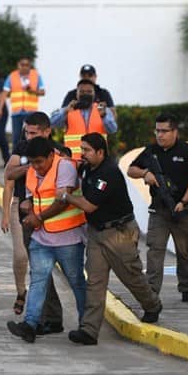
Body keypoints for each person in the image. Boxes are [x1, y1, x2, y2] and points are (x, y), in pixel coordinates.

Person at [58, 133, 163, 345]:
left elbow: (88, 205)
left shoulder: (108, 173)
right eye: (82, 149)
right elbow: (73, 163)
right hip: (97, 232)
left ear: (100, 152)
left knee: (131, 276)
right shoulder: (89, 167)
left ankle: (152, 305)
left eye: (87, 150)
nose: (83, 154)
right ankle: (88, 330)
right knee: (95, 283)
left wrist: (65, 196)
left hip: (119, 233)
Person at [6, 137, 86, 343]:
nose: (36, 167)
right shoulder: (33, 169)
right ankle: (30, 325)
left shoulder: (65, 167)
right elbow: (35, 194)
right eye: (32, 162)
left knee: (76, 281)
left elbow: (62, 202)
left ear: (52, 155)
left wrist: (37, 217)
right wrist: (28, 205)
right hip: (42, 238)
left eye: (40, 162)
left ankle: (87, 325)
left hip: (67, 238)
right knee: (38, 281)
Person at [2, 111, 69, 324]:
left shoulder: (60, 151)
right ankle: (47, 318)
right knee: (39, 271)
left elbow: (67, 181)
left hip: (55, 219)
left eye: (33, 133)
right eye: (26, 132)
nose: (28, 136)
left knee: (73, 275)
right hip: (29, 218)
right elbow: (9, 174)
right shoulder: (22, 148)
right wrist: (31, 163)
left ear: (47, 131)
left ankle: (81, 323)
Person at [127, 113, 188, 302]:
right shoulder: (151, 151)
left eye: (164, 131)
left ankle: (187, 289)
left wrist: (183, 201)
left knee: (186, 251)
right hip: (159, 211)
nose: (160, 135)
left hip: (182, 210)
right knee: (155, 252)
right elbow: (131, 169)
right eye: (157, 130)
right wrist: (145, 173)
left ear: (174, 131)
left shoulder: (187, 151)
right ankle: (151, 293)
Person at [51, 79, 117, 160]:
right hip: (74, 161)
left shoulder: (102, 109)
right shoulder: (69, 109)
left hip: (98, 161)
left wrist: (104, 116)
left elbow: (113, 129)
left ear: (94, 93)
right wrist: (65, 111)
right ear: (77, 93)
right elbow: (52, 124)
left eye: (89, 91)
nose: (85, 94)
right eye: (82, 91)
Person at [0, 57, 45, 149]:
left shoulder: (36, 75)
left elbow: (42, 92)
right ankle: (16, 158)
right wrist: (0, 109)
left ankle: (31, 156)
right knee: (16, 138)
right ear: (18, 65)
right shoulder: (12, 76)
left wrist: (33, 91)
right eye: (22, 65)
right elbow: (4, 93)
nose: (24, 67)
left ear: (30, 66)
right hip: (17, 112)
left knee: (32, 136)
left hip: (31, 112)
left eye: (27, 65)